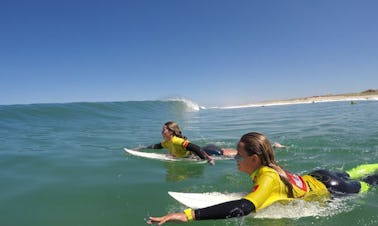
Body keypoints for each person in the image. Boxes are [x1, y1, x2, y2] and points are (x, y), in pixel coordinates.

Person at [147, 132, 378, 225]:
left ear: (255, 159)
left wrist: (187, 215)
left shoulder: (267, 177)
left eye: (240, 155)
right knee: (354, 171)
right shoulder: (266, 169)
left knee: (371, 181)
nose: (236, 158)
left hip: (335, 189)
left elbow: (246, 206)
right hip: (318, 176)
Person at [143, 121, 237, 165]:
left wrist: (208, 159)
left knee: (233, 154)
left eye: (164, 130)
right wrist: (143, 147)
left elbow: (195, 148)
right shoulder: (167, 142)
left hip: (209, 151)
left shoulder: (177, 141)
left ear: (171, 132)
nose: (161, 132)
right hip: (205, 149)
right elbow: (157, 146)